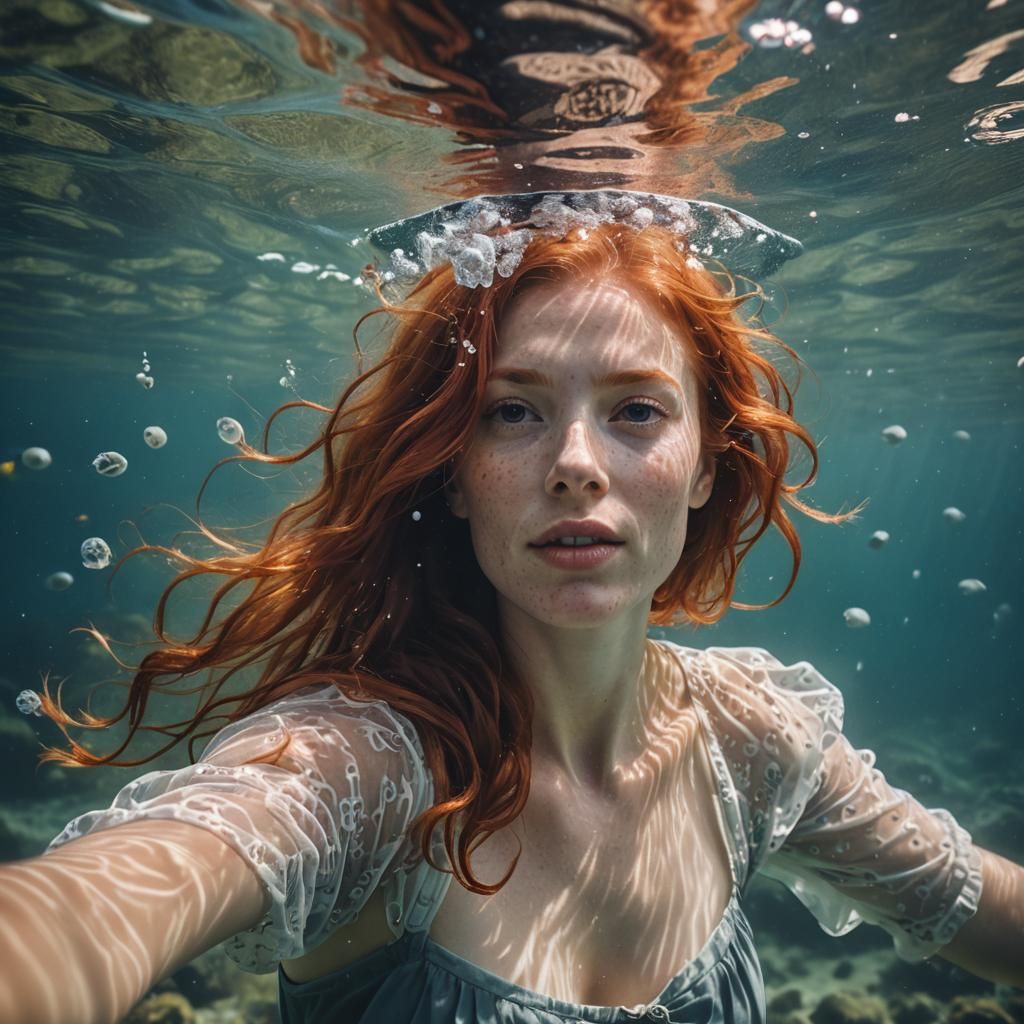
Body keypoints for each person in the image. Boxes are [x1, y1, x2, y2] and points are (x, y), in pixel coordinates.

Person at [0, 209, 1021, 1024]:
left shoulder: (751, 742)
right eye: (512, 409)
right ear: (453, 473)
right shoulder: (360, 768)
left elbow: (974, 904)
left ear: (708, 462)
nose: (576, 463)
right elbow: (96, 906)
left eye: (635, 409)